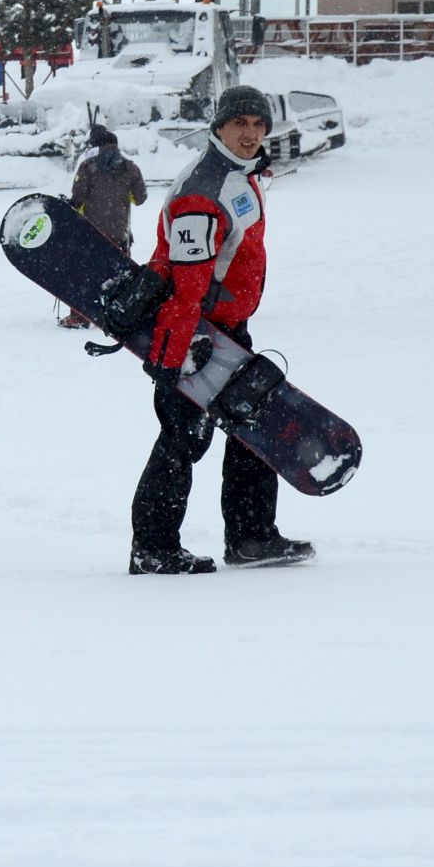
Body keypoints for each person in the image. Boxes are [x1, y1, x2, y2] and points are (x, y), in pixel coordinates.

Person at [130, 85, 314, 575]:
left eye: (259, 125)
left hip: (229, 330)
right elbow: (187, 283)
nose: (251, 133)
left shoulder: (239, 174)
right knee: (182, 441)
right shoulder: (203, 190)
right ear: (219, 127)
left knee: (255, 426)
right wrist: (182, 348)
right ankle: (154, 549)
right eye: (241, 124)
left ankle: (252, 538)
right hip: (195, 337)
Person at [60, 125, 148, 329]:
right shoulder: (131, 168)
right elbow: (140, 198)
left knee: (83, 275)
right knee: (120, 276)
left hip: (90, 233)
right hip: (120, 233)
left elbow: (78, 199)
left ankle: (80, 316)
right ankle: (120, 315)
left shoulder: (88, 167)